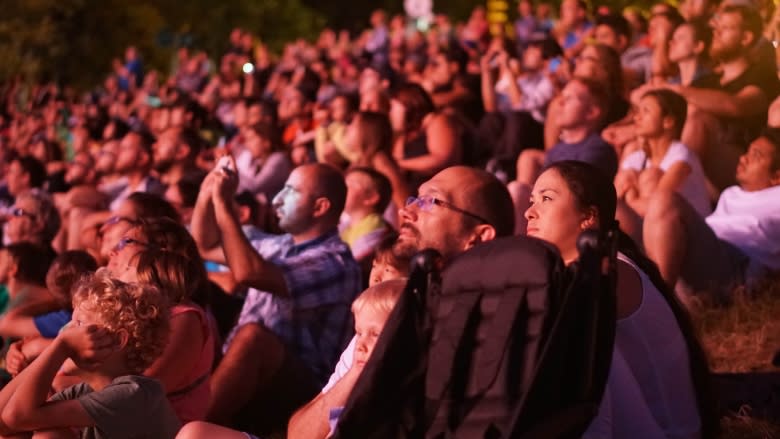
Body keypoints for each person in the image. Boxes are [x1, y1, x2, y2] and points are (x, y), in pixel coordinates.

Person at [525, 160, 716, 438]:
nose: (530, 212)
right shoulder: (593, 267)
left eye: (546, 199)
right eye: (531, 201)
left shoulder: (609, 271)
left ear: (588, 217)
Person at [191, 162, 361, 434]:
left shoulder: (336, 262)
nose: (277, 199)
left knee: (253, 338)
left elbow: (248, 272)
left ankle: (187, 429)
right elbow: (205, 245)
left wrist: (224, 203)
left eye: (291, 191)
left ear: (320, 207)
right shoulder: (279, 244)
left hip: (302, 393)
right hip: (250, 371)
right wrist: (208, 191)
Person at [177, 279, 407, 439]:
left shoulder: (406, 388)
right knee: (194, 433)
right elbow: (298, 435)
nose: (361, 344)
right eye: (358, 333)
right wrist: (355, 374)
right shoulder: (358, 359)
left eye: (375, 334)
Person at [0, 271, 181, 439]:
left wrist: (60, 347)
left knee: (46, 432)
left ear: (118, 340)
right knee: (45, 431)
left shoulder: (135, 394)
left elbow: (17, 416)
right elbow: (4, 422)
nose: (66, 332)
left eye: (79, 323)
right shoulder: (87, 390)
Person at [643, 128, 780, 302]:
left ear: (777, 176)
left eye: (756, 155)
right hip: (709, 249)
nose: (743, 158)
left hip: (735, 266)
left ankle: (658, 305)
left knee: (664, 200)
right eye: (747, 152)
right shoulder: (732, 193)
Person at [614, 89, 711, 240]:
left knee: (651, 176)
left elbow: (657, 206)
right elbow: (614, 201)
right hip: (647, 230)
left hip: (693, 237)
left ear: (668, 121)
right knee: (625, 176)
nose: (637, 117)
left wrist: (630, 201)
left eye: (646, 111)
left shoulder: (681, 155)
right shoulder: (636, 159)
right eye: (637, 111)